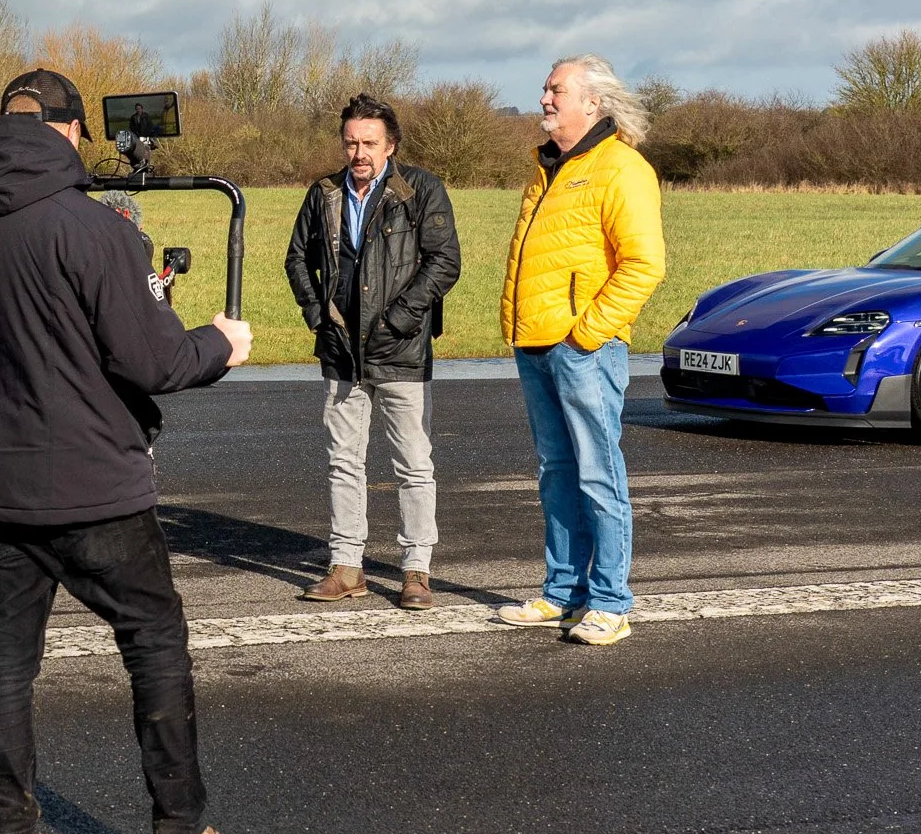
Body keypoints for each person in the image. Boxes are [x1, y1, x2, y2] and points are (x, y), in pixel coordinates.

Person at [0, 68, 271, 834]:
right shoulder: (92, 229)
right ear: (74, 132)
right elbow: (151, 361)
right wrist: (221, 344)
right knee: (153, 639)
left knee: (6, 654)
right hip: (90, 481)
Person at [495, 56, 666, 647]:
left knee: (598, 473)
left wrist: (588, 332)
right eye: (544, 86)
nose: (544, 97)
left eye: (556, 89)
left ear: (592, 102)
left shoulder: (621, 167)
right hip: (535, 342)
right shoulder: (548, 169)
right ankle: (563, 591)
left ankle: (612, 601)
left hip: (582, 347)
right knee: (557, 471)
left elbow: (644, 264)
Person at [284, 94, 462, 610]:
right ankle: (346, 568)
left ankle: (416, 572)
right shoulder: (323, 192)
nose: (358, 152)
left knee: (412, 464)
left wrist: (400, 320)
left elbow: (444, 263)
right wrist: (319, 316)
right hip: (341, 351)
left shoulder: (422, 190)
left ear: (391, 145)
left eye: (369, 142)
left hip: (402, 351)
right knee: (344, 462)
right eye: (351, 142)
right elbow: (297, 259)